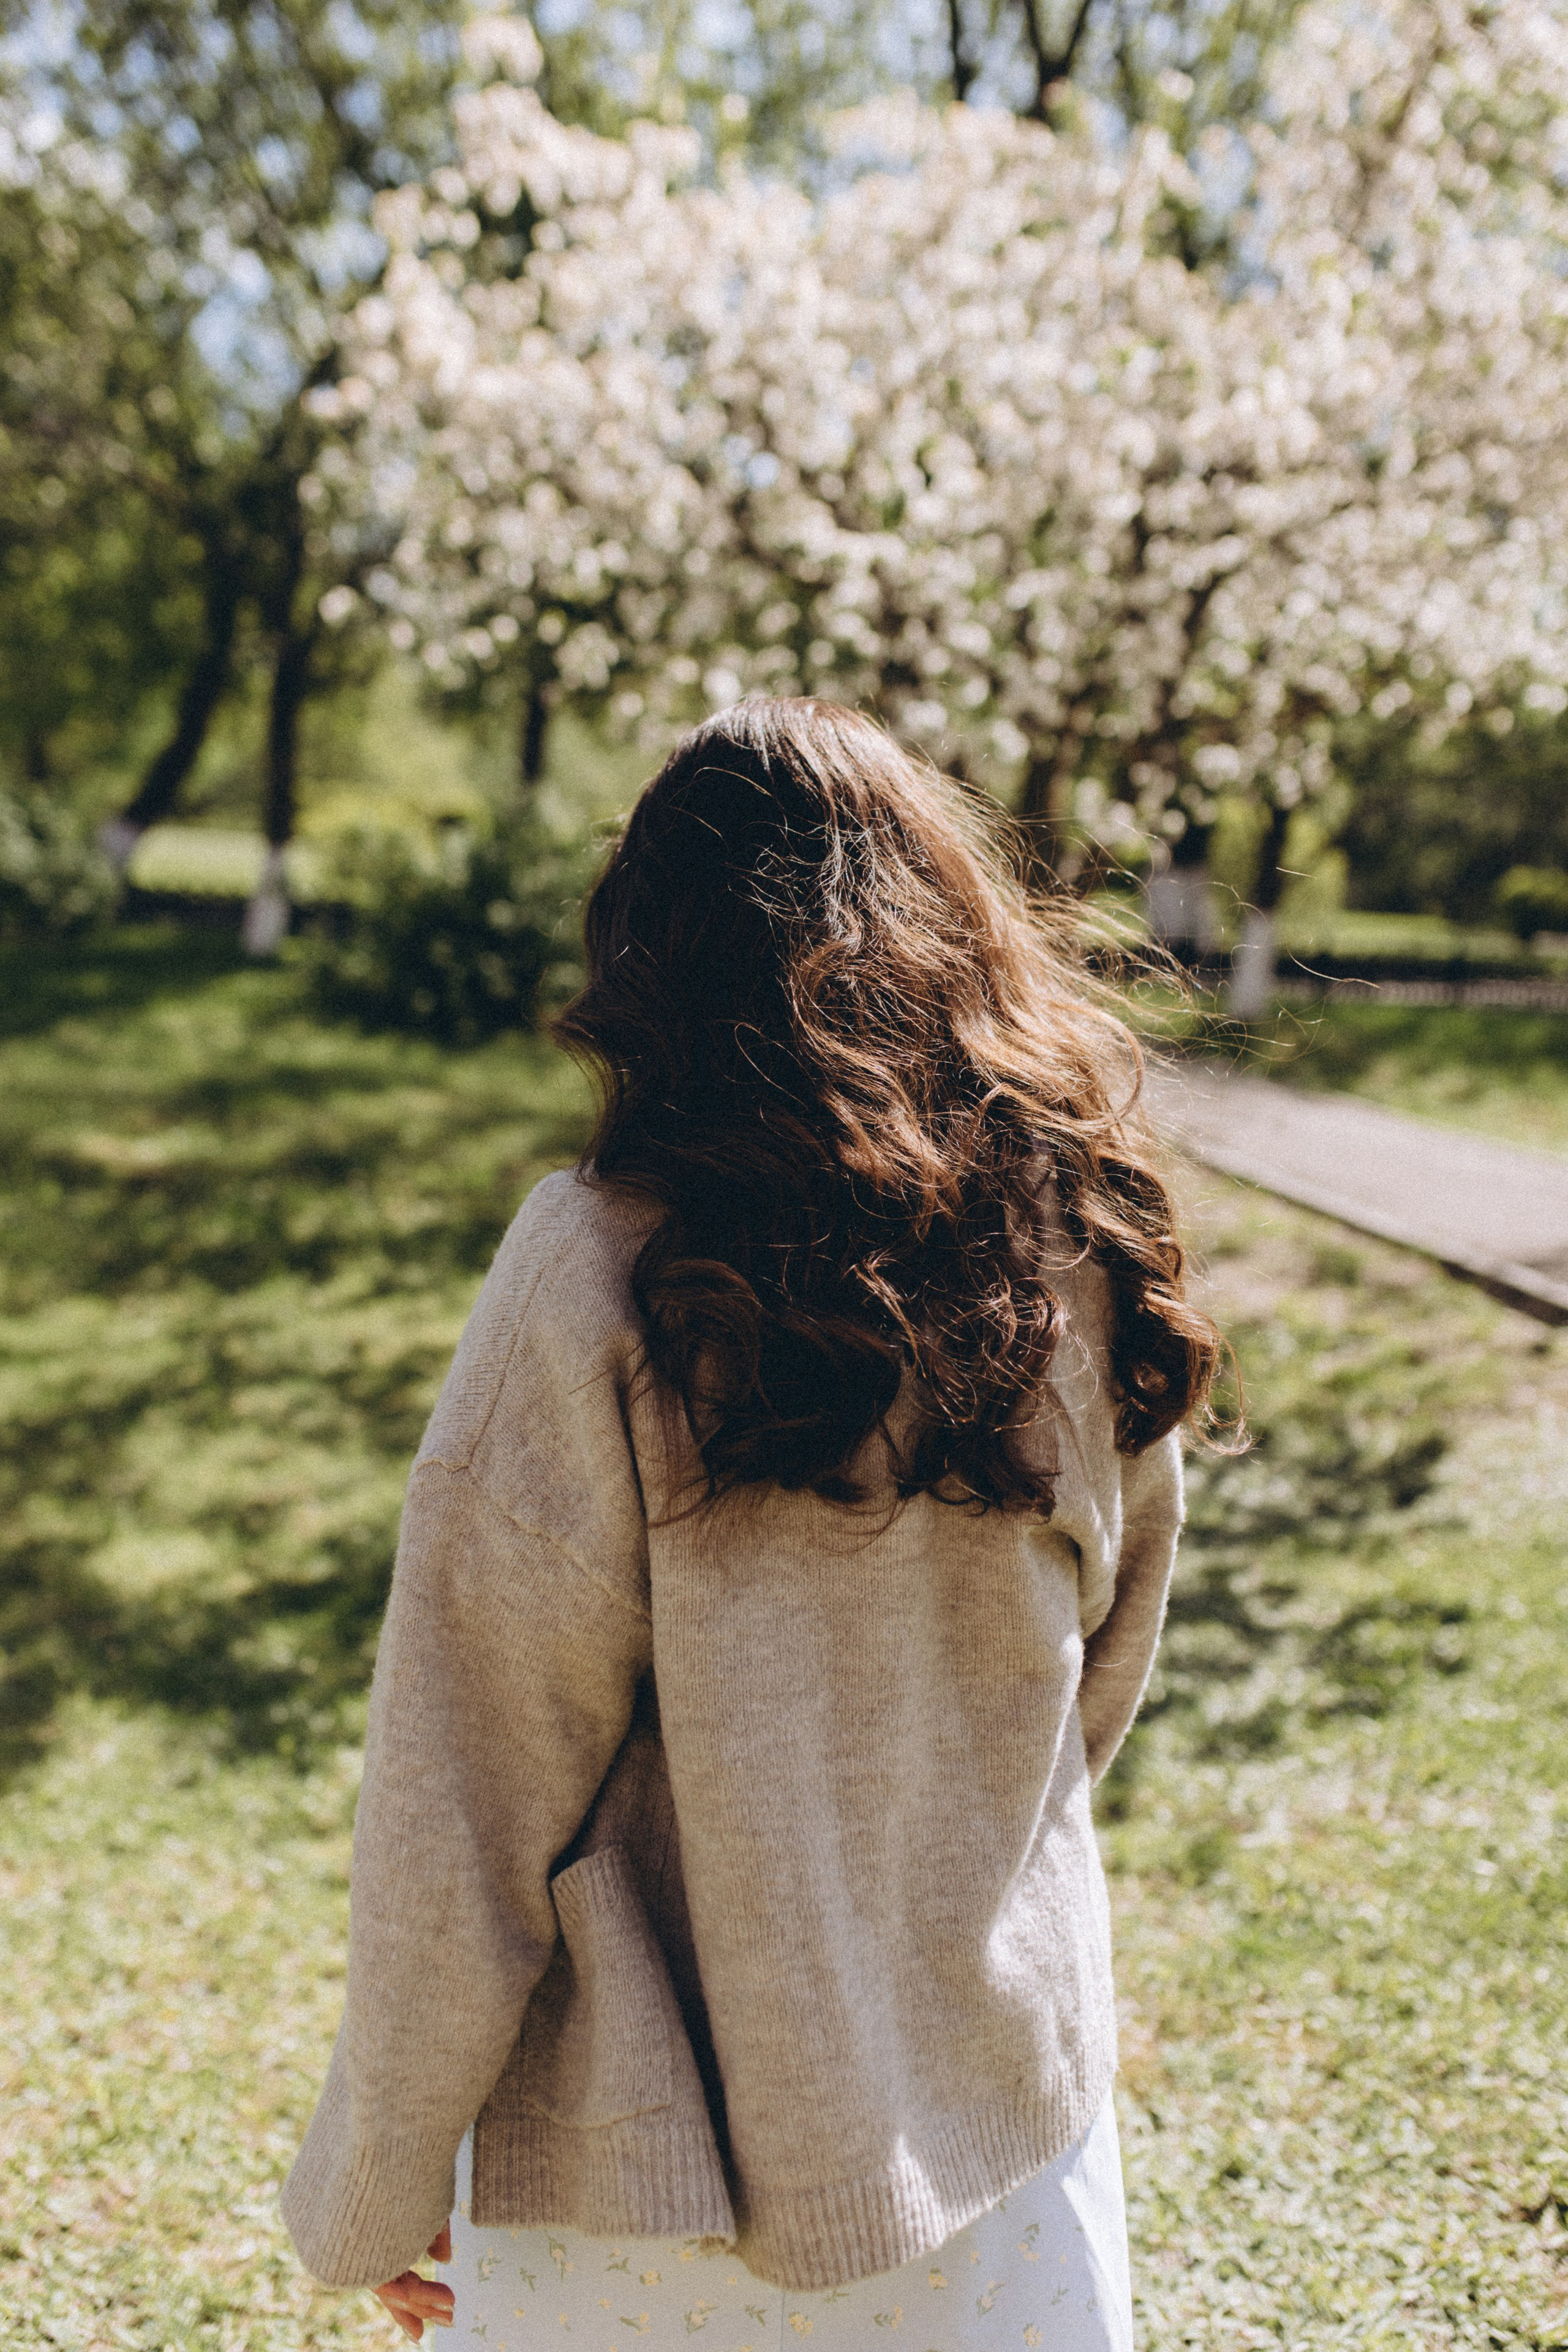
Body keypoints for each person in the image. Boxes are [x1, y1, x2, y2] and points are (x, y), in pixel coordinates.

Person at [280, 696, 1219, 2348]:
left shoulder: (591, 1267)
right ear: (953, 930)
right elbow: (1103, 1665)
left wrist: (378, 2184)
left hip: (646, 2202)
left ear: (647, 963)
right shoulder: (1069, 1241)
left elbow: (470, 1789)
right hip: (1005, 2144)